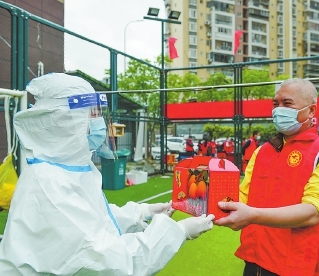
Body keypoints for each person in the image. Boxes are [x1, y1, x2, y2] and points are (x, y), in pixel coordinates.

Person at [0, 73, 215, 275]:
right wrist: (179, 231)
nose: (98, 123)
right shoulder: (49, 183)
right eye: (91, 115)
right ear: (66, 122)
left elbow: (95, 219)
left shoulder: (63, 170)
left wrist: (142, 212)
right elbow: (109, 261)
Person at [215, 78, 319, 276]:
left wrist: (252, 215)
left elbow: (313, 212)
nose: (278, 110)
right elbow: (243, 196)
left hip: (298, 267)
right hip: (254, 259)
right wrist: (207, 204)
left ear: (311, 111)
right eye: (275, 104)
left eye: (288, 103)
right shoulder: (262, 152)